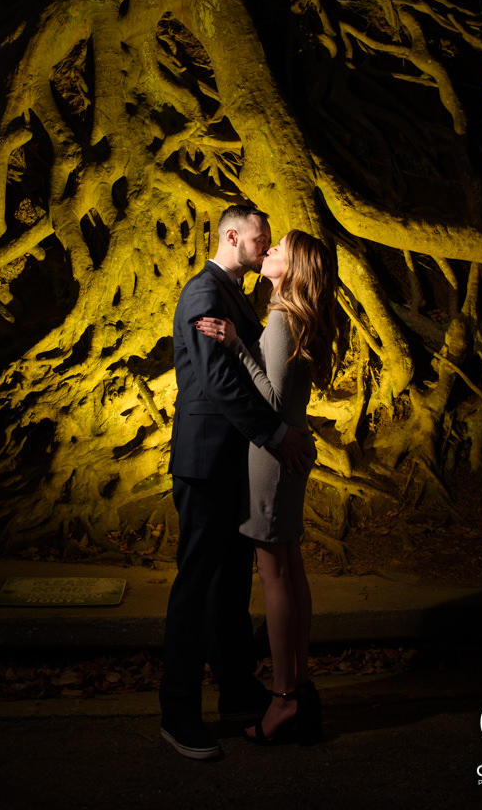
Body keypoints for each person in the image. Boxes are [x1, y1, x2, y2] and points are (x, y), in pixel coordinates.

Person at [159, 206, 314, 761]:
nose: (265, 245)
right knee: (196, 586)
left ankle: (236, 692)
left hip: (234, 463)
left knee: (229, 587)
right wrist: (276, 433)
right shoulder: (203, 294)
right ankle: (178, 712)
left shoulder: (239, 297)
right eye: (259, 237)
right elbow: (221, 382)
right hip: (204, 462)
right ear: (232, 235)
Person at [195, 229, 341, 746]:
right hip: (288, 453)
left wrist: (236, 344)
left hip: (272, 455)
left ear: (295, 266)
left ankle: (283, 699)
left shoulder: (282, 318)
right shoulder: (303, 318)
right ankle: (299, 685)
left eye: (278, 248)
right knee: (290, 569)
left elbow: (272, 400)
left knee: (274, 573)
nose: (269, 252)